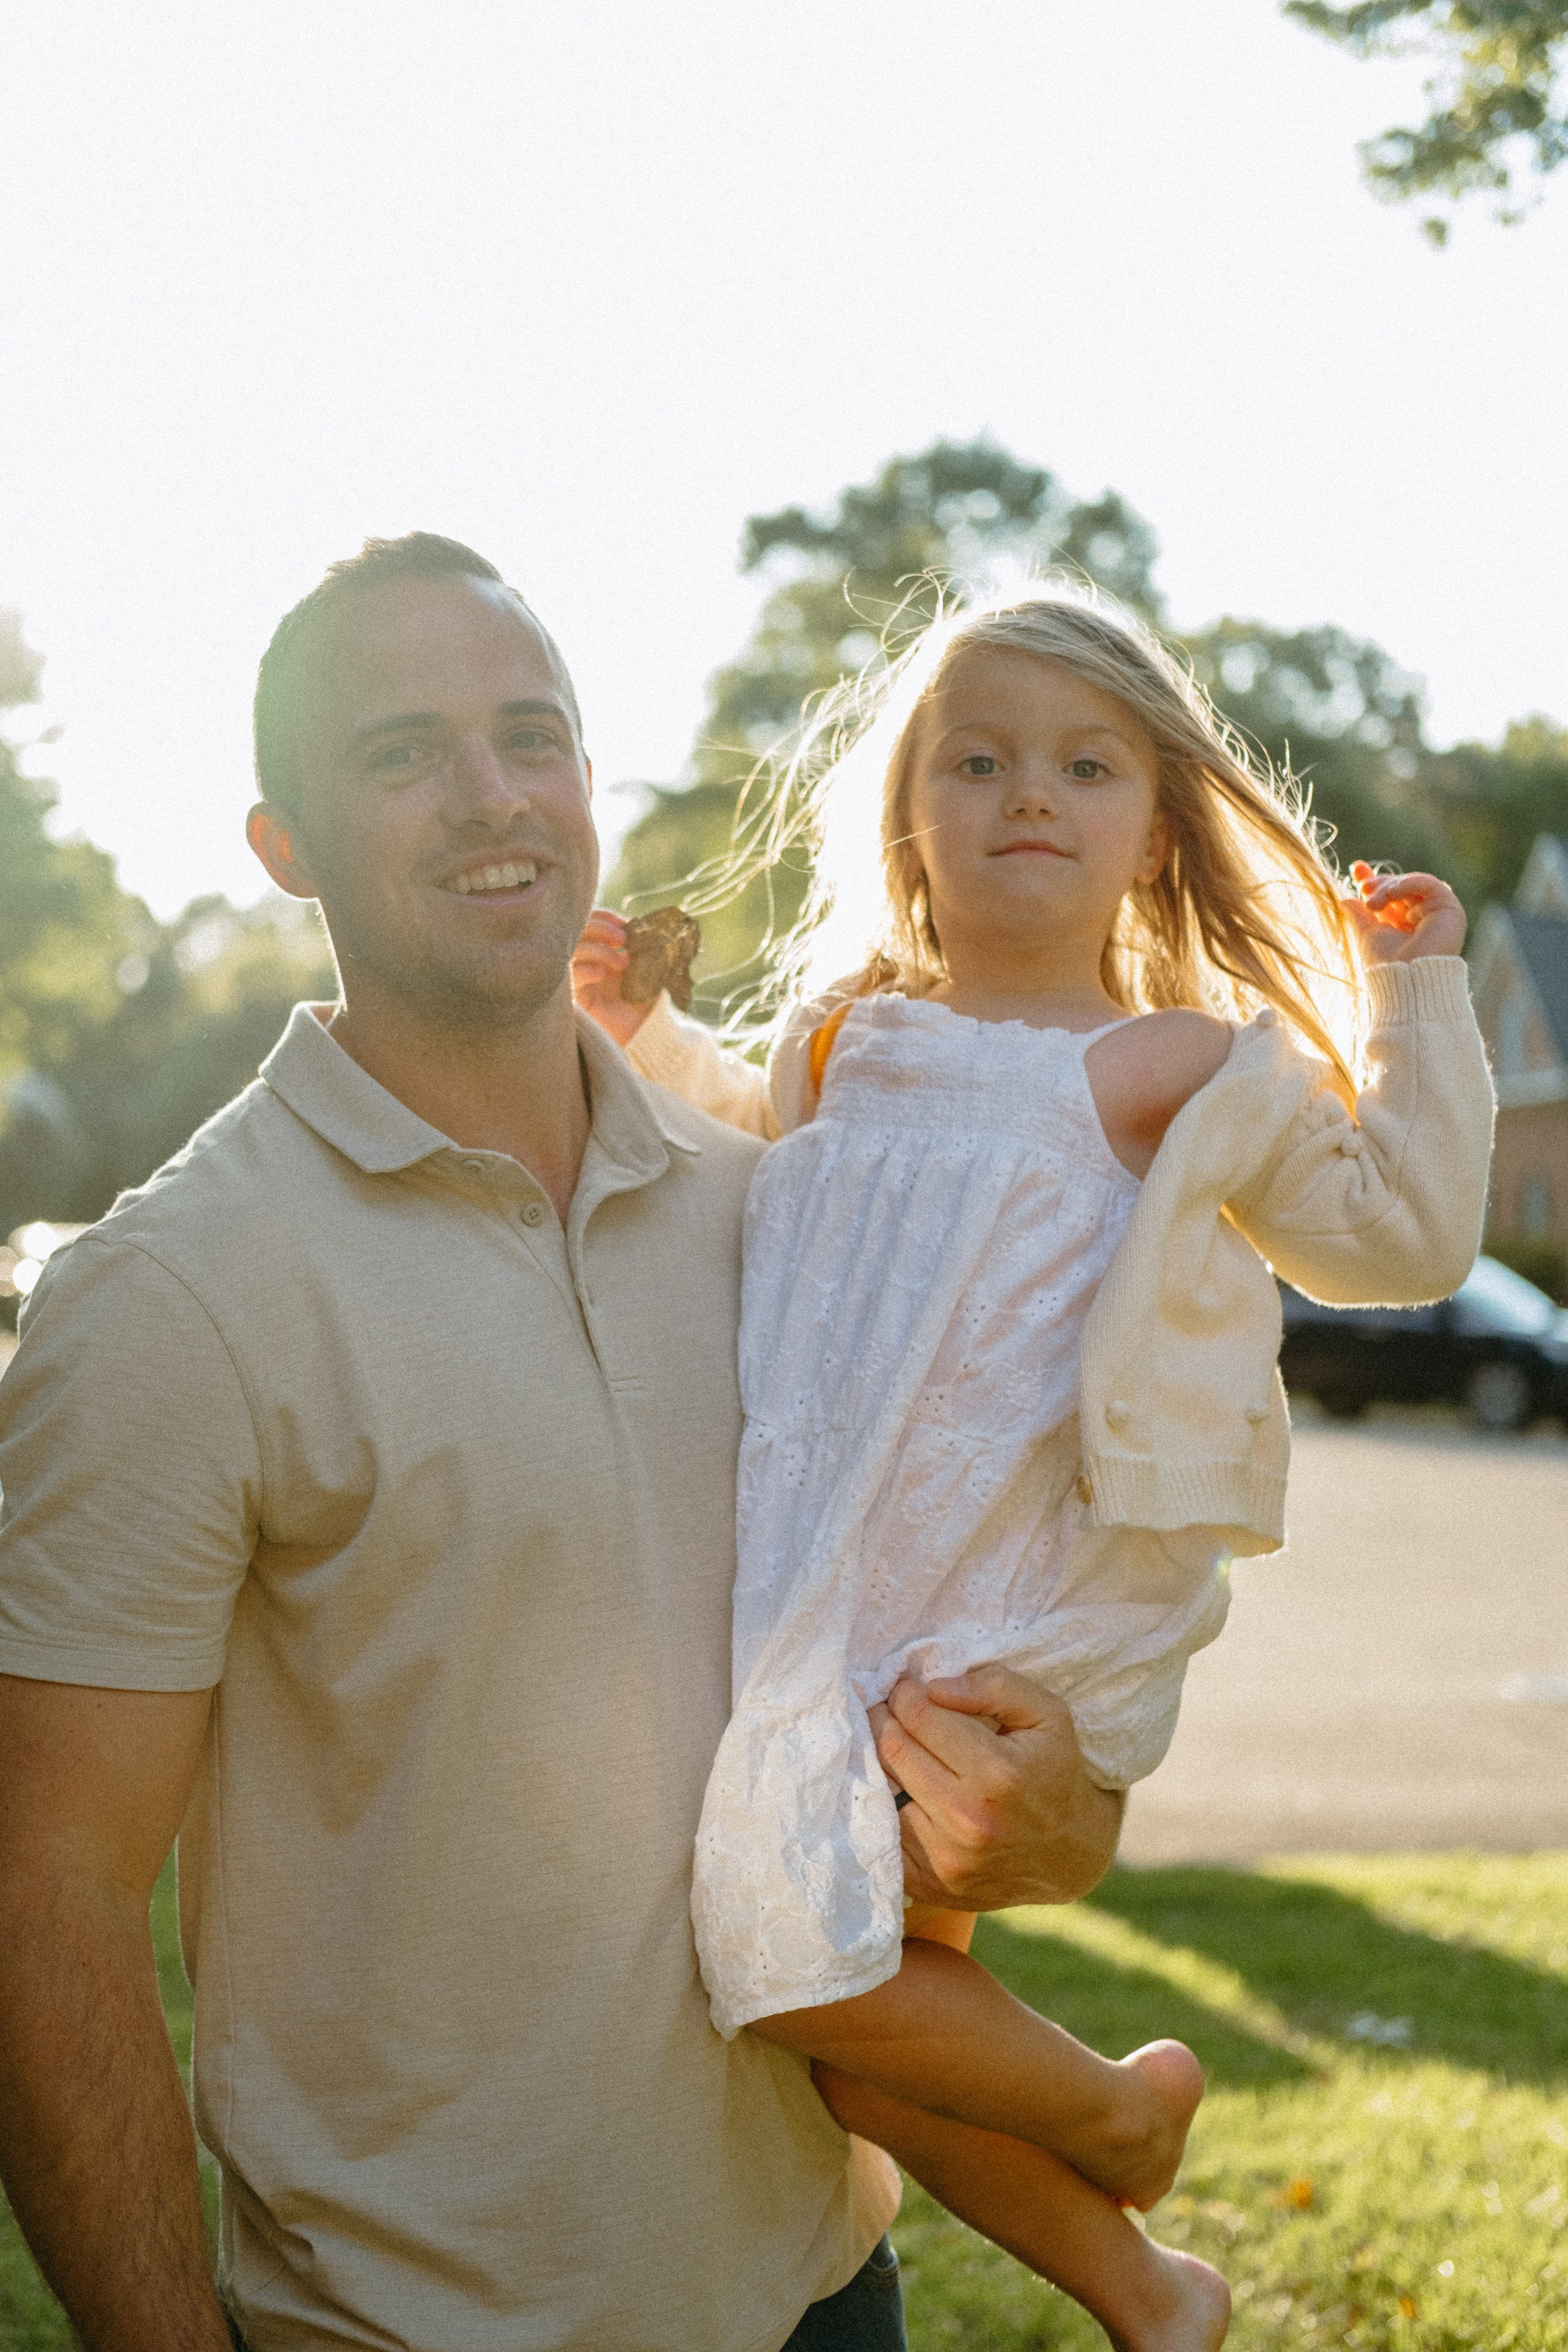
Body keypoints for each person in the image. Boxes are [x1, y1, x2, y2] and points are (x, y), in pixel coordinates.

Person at [0, 539, 1131, 2352]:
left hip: (828, 2296)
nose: (490, 798)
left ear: (591, 791)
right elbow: (43, 1906)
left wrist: (1059, 1822)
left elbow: (954, 1657)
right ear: (284, 847)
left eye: (533, 736)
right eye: (402, 755)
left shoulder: (791, 1214)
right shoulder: (168, 1297)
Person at [573, 592, 1494, 2350]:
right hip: (824, 1577)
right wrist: (639, 1039)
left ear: (1158, 833)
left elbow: (1406, 1232)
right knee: (844, 2022)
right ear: (909, 812)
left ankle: (1123, 2140)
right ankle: (1148, 2269)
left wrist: (1413, 991)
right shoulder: (846, 1038)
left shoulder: (1165, 1066)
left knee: (802, 1978)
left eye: (1087, 766)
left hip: (1002, 1604)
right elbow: (739, 1176)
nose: (1028, 796)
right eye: (977, 760)